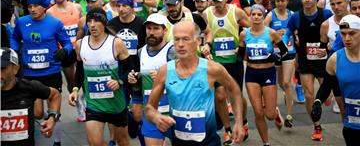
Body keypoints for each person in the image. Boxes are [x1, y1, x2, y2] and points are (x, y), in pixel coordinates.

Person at [145, 21, 245, 145]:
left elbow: (234, 89)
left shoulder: (212, 69)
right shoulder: (165, 71)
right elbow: (149, 108)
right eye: (176, 39)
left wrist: (239, 122)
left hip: (208, 142)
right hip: (179, 142)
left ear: (198, 41)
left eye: (186, 39)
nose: (180, 44)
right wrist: (156, 117)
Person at [10, 0, 72, 146]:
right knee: (37, 113)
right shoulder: (22, 22)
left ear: (43, 7)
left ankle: (57, 141)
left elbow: (67, 43)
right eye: (30, 7)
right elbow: (14, 37)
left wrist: (64, 51)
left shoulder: (55, 23)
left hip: (51, 71)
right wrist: (14, 51)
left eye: (36, 6)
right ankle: (48, 119)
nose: (32, 9)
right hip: (31, 74)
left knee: (54, 112)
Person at [68, 8, 134, 146]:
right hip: (94, 103)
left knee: (122, 141)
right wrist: (75, 89)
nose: (92, 24)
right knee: (94, 142)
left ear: (104, 23)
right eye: (89, 21)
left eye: (96, 21)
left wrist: (119, 81)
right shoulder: (81, 44)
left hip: (115, 103)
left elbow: (130, 69)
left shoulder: (116, 43)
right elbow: (80, 70)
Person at [203, 0, 250, 144]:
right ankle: (228, 129)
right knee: (220, 96)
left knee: (236, 95)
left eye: (219, 1)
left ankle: (243, 121)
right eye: (214, 1)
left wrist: (242, 44)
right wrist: (206, 47)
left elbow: (252, 28)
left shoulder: (236, 12)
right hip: (216, 62)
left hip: (234, 60)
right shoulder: (207, 14)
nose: (217, 4)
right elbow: (203, 33)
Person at [287, 0, 333, 141]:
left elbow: (333, 31)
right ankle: (317, 125)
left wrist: (329, 47)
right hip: (305, 60)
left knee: (328, 97)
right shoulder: (296, 17)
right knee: (308, 95)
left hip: (323, 61)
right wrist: (291, 40)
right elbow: (288, 31)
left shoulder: (325, 14)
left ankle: (326, 98)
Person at [239, 4, 287, 146]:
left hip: (268, 73)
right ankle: (266, 143)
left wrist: (276, 56)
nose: (256, 17)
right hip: (252, 74)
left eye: (259, 14)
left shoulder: (271, 33)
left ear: (263, 16)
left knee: (269, 116)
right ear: (250, 16)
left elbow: (284, 51)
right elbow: (241, 55)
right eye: (253, 14)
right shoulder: (244, 34)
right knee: (258, 112)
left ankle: (275, 112)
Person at [312, 15, 360, 146]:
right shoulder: (335, 59)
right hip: (352, 124)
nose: (347, 38)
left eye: (352, 33)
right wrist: (317, 101)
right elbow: (326, 86)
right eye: (343, 34)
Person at [128, 13, 176, 145]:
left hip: (173, 112)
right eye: (149, 28)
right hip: (152, 113)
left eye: (156, 29)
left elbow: (186, 80)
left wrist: (167, 78)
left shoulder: (172, 51)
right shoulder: (140, 52)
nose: (151, 32)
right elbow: (139, 84)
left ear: (165, 30)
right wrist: (135, 80)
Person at [1, 47, 61, 146]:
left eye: (2, 68)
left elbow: (55, 95)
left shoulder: (29, 87)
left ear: (15, 69)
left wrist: (52, 118)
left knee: (38, 113)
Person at [46, 0, 85, 121]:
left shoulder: (77, 7)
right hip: (64, 50)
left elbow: (83, 24)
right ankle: (77, 101)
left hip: (79, 47)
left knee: (84, 76)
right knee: (71, 79)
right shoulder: (50, 12)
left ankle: (88, 102)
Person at [264, 0, 297, 128]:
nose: (280, 3)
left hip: (289, 52)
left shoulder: (293, 15)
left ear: (287, 2)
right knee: (281, 84)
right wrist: (275, 34)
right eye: (278, 1)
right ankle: (287, 96)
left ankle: (289, 115)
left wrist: (294, 33)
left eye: (283, 1)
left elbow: (297, 31)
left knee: (287, 82)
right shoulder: (271, 15)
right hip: (276, 53)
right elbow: (263, 31)